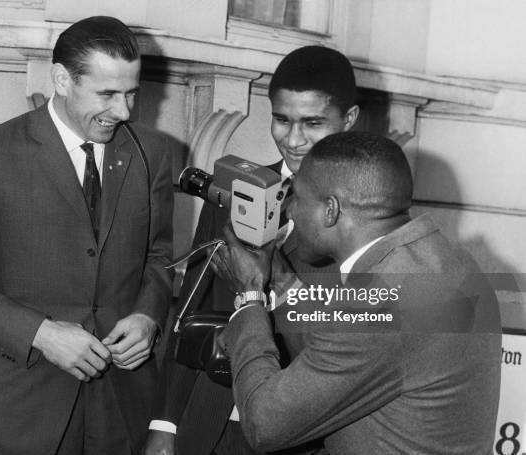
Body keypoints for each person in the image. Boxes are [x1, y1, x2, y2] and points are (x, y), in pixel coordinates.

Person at [0, 16, 174, 454]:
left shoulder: (151, 152)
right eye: (108, 94)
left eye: (132, 93)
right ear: (61, 79)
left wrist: (148, 317)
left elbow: (160, 255)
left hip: (123, 409)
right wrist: (42, 333)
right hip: (20, 412)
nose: (125, 112)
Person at [211, 131, 501, 454]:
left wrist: (248, 295)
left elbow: (263, 423)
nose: (289, 210)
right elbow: (351, 357)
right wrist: (279, 278)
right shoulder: (449, 261)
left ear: (330, 211)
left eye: (295, 196)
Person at [144, 46, 359, 455]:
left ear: (348, 120)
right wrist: (165, 421)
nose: (293, 139)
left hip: (302, 435)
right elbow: (191, 305)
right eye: (282, 120)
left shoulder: (368, 216)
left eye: (312, 123)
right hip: (209, 421)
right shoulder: (232, 190)